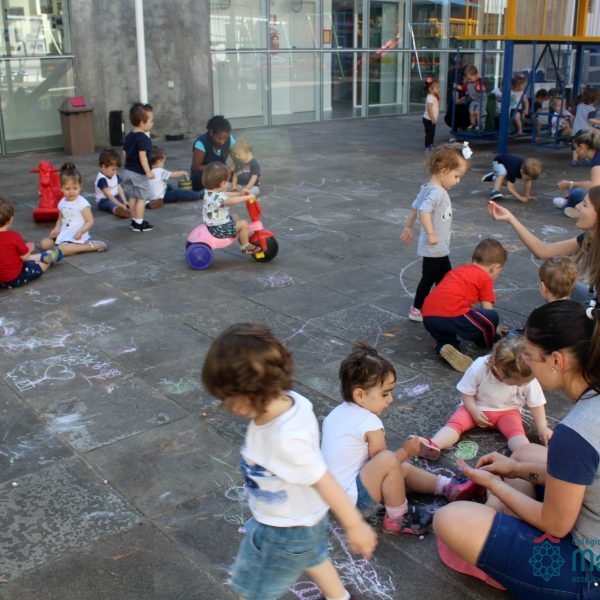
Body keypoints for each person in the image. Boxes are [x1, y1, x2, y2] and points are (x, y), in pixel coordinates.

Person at [433, 300, 600, 598]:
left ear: (557, 360)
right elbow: (581, 475)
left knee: (449, 519)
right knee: (522, 454)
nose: (524, 360)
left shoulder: (575, 432)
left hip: (588, 570)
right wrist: (516, 469)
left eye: (529, 354)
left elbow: (555, 524)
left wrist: (494, 484)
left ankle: (509, 567)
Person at [201, 323, 377, 600]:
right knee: (314, 556)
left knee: (254, 590)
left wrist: (354, 524)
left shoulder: (284, 439)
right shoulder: (292, 400)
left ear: (253, 391)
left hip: (283, 531)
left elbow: (323, 478)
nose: (226, 407)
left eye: (228, 399)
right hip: (306, 518)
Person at [321, 343, 483, 536]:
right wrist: (406, 451)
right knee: (392, 461)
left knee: (398, 465)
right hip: (353, 502)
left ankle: (447, 486)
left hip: (334, 497)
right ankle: (397, 518)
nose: (390, 399)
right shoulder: (369, 423)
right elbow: (384, 463)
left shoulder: (336, 413)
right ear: (360, 395)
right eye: (384, 394)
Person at [416, 337, 551, 462]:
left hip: (508, 412)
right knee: (455, 424)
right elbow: (466, 392)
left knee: (516, 433)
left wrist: (542, 427)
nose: (521, 386)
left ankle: (526, 454)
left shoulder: (527, 375)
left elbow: (536, 403)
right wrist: (474, 412)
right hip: (475, 407)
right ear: (500, 372)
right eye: (517, 383)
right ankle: (433, 444)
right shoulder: (479, 366)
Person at [488, 187, 600, 305]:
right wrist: (510, 218)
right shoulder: (588, 238)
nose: (577, 206)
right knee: (558, 281)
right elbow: (542, 251)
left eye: (585, 205)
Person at [400, 143, 472, 322]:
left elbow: (414, 208)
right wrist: (431, 234)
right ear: (444, 171)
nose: (458, 181)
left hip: (438, 247)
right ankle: (417, 309)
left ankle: (443, 303)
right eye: (456, 176)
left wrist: (408, 227)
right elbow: (423, 210)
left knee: (445, 277)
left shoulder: (427, 187)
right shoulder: (438, 192)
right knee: (429, 279)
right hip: (434, 246)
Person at [421, 238, 508, 373]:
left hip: (428, 315)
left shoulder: (459, 270)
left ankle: (444, 347)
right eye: (499, 272)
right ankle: (488, 342)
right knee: (491, 317)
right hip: (452, 313)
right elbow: (487, 308)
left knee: (447, 337)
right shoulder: (485, 277)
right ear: (495, 267)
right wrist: (494, 328)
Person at [39, 163, 108, 256]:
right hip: (64, 234)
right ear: (61, 188)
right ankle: (62, 247)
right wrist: (57, 229)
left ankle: (89, 246)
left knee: (63, 249)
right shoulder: (62, 202)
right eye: (67, 189)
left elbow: (90, 221)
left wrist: (81, 231)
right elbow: (60, 219)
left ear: (80, 186)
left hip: (77, 235)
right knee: (44, 244)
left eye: (75, 188)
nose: (71, 191)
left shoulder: (82, 203)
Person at [0, 199, 62, 289]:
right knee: (34, 265)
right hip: (13, 279)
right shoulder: (13, 236)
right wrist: (27, 250)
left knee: (14, 257)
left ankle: (44, 256)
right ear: (10, 220)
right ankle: (48, 261)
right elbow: (25, 257)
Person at [202, 162, 261, 255]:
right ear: (223, 183)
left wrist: (239, 193)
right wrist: (246, 197)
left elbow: (226, 194)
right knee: (243, 224)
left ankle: (242, 237)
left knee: (235, 216)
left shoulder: (210, 192)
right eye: (227, 181)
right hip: (219, 229)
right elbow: (231, 201)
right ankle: (245, 246)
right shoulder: (216, 198)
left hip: (216, 224)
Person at [123, 102, 155, 232]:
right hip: (139, 173)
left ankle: (134, 220)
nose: (152, 123)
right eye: (150, 121)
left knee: (132, 197)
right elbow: (143, 156)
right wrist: (148, 172)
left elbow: (124, 153)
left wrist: (126, 166)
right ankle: (139, 223)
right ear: (142, 123)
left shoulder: (129, 136)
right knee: (141, 198)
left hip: (128, 171)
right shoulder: (143, 138)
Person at [554, 129, 600, 218]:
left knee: (576, 193)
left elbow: (595, 185)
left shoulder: (597, 160)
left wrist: (570, 184)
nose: (576, 151)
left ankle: (568, 205)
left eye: (575, 148)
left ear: (582, 147)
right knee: (578, 192)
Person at [145, 146, 199, 210]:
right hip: (162, 195)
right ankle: (197, 195)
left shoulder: (145, 171)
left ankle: (148, 203)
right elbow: (173, 175)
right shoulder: (160, 171)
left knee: (168, 186)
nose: (163, 164)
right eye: (163, 161)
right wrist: (182, 173)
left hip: (149, 196)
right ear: (159, 161)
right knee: (180, 194)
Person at [191, 115, 235, 192]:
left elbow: (238, 158)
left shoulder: (229, 139)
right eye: (219, 138)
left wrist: (233, 167)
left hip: (221, 173)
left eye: (225, 138)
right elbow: (196, 167)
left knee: (241, 173)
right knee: (203, 177)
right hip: (205, 175)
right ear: (211, 133)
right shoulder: (201, 143)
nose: (222, 141)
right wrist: (217, 169)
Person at [94, 148, 130, 219]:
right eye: (113, 169)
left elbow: (119, 188)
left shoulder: (114, 175)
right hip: (104, 200)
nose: (115, 172)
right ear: (103, 167)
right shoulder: (101, 179)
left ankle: (137, 203)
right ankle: (117, 210)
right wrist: (120, 205)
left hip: (115, 196)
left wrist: (125, 201)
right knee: (110, 204)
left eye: (116, 169)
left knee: (128, 194)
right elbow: (109, 195)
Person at [571, 87, 600, 166]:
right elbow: (591, 120)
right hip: (586, 132)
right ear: (594, 100)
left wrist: (572, 125)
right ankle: (587, 159)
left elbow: (573, 116)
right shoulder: (591, 109)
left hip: (576, 130)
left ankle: (574, 161)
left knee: (576, 146)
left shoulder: (579, 106)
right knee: (587, 146)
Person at [454, 65, 486, 130]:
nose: (469, 80)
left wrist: (480, 88)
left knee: (477, 112)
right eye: (468, 78)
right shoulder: (468, 83)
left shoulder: (480, 81)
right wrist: (456, 86)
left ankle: (480, 125)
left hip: (481, 100)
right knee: (471, 112)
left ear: (475, 75)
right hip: (473, 100)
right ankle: (473, 124)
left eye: (470, 78)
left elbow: (484, 88)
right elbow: (462, 88)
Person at [422, 78, 440, 151]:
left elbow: (437, 105)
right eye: (437, 88)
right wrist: (432, 118)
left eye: (438, 87)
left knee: (432, 133)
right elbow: (429, 109)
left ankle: (431, 144)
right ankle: (427, 146)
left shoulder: (433, 96)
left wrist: (439, 98)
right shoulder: (430, 97)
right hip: (428, 119)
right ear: (430, 89)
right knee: (429, 133)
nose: (438, 89)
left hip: (432, 119)